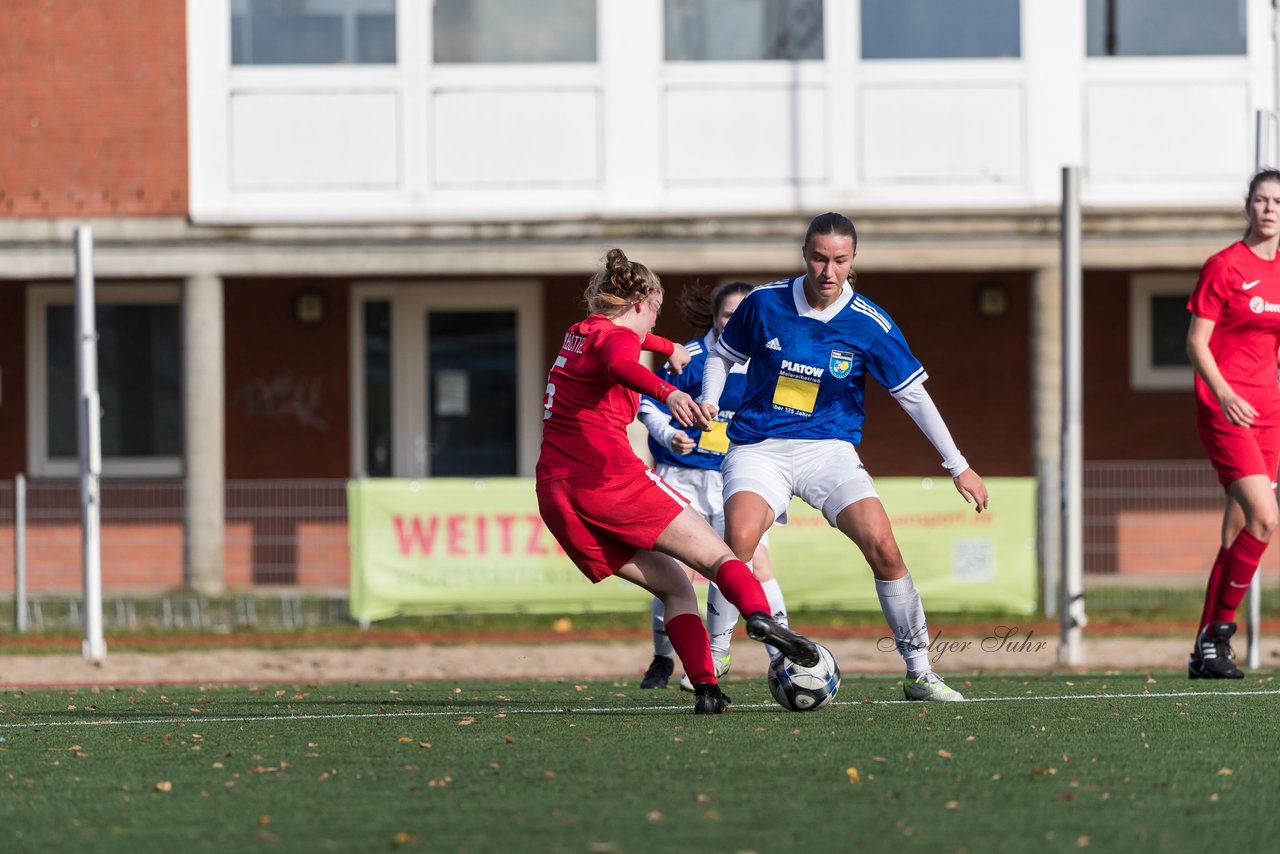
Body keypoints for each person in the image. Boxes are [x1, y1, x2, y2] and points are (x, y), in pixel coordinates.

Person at [698, 211, 989, 702]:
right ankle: (716, 650)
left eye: (839, 260)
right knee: (739, 541)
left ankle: (920, 671)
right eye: (818, 258)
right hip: (759, 446)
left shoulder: (870, 322)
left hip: (828, 450)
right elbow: (722, 355)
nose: (827, 271)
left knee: (884, 546)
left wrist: (958, 464)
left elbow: (913, 395)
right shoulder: (764, 303)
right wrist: (710, 397)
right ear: (804, 256)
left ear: (853, 261)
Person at [536, 248, 820, 714]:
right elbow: (621, 361)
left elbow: (624, 348)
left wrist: (668, 347)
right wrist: (669, 391)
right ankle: (760, 618)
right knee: (721, 557)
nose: (653, 325)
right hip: (609, 479)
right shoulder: (616, 341)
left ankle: (707, 688)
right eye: (656, 314)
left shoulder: (578, 333)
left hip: (556, 494)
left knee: (674, 586)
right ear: (640, 304)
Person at [636, 281, 791, 691]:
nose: (734, 322)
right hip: (682, 477)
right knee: (676, 573)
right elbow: (646, 404)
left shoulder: (766, 360)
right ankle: (663, 660)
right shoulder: (693, 357)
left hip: (736, 479)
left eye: (742, 315)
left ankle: (783, 658)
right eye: (727, 315)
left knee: (756, 565)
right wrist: (669, 434)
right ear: (715, 316)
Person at [1184, 168, 1280, 680]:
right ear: (1248, 207)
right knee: (1267, 519)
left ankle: (1203, 654)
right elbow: (1197, 342)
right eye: (1261, 200)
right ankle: (1220, 634)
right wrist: (1224, 394)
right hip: (1225, 410)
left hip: (1270, 414)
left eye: (1278, 202)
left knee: (1239, 530)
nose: (1269, 209)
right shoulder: (1224, 267)